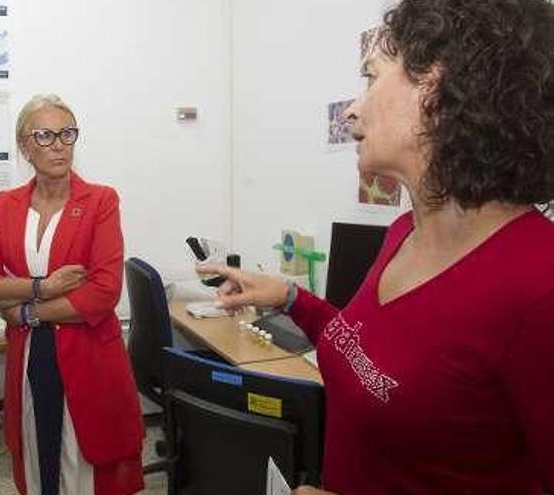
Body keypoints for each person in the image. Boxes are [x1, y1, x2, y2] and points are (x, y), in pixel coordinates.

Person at [200, 1, 554, 494]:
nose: (350, 108)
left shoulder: (540, 285)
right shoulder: (404, 232)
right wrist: (289, 298)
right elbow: (365, 353)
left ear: (438, 85)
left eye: (370, 77)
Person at [0, 94, 144, 495]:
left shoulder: (101, 200)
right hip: (30, 355)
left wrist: (27, 311)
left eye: (67, 133)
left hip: (87, 352)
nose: (59, 144)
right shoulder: (7, 204)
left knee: (83, 459)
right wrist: (41, 287)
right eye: (45, 135)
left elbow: (103, 293)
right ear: (24, 147)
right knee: (38, 450)